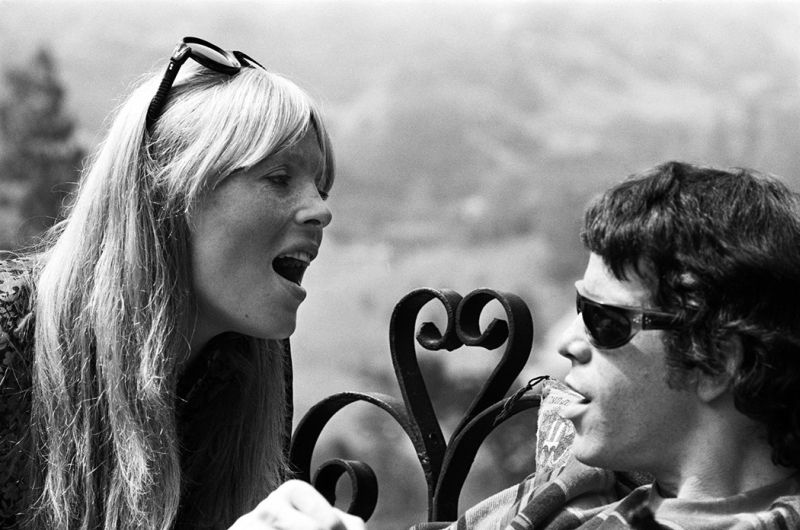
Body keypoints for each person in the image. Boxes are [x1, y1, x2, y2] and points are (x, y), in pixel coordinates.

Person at [257, 161, 800, 529]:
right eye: (580, 307)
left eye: (606, 320)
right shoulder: (575, 494)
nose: (569, 341)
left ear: (718, 361)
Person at [0, 36, 336, 529]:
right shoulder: (9, 334)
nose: (321, 211)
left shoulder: (249, 366)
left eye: (321, 187)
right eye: (279, 177)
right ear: (166, 197)